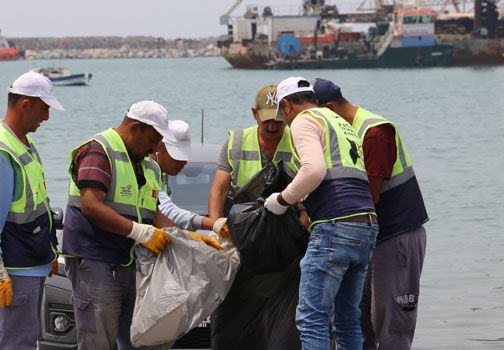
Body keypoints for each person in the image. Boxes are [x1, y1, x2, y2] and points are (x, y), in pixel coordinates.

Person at [264, 76, 378, 349]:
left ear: (287, 106)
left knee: (312, 318)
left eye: (283, 113)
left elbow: (314, 170)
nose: (285, 120)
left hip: (335, 226)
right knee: (348, 318)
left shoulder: (304, 120)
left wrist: (281, 200)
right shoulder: (339, 122)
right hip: (366, 225)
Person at [313, 78, 428, 350]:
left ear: (329, 109)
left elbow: (370, 196)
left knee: (392, 323)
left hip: (396, 235)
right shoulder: (346, 132)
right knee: (360, 320)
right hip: (370, 236)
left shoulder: (373, 132)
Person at [61, 100, 180, 349]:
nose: (155, 147)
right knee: (98, 338)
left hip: (128, 261)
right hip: (95, 259)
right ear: (135, 128)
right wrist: (139, 231)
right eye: (153, 139)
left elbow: (153, 212)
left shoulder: (148, 166)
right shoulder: (99, 150)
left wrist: (186, 238)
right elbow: (91, 205)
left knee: (137, 337)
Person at [0, 71, 64, 349]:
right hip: (13, 264)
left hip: (29, 259)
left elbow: (35, 206)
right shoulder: (0, 153)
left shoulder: (23, 143)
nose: (46, 117)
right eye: (44, 109)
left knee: (14, 337)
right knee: (16, 342)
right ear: (25, 105)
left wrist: (48, 253)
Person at [208, 84, 299, 233]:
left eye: (277, 121)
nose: (272, 127)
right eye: (267, 120)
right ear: (255, 114)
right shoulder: (236, 143)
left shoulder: (299, 141)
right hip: (243, 225)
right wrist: (216, 227)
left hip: (286, 227)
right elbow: (218, 191)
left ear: (287, 113)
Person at [151, 120, 221, 245]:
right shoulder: (146, 173)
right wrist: (214, 224)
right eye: (177, 157)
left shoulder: (160, 174)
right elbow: (167, 211)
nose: (183, 163)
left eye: (185, 157)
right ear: (157, 149)